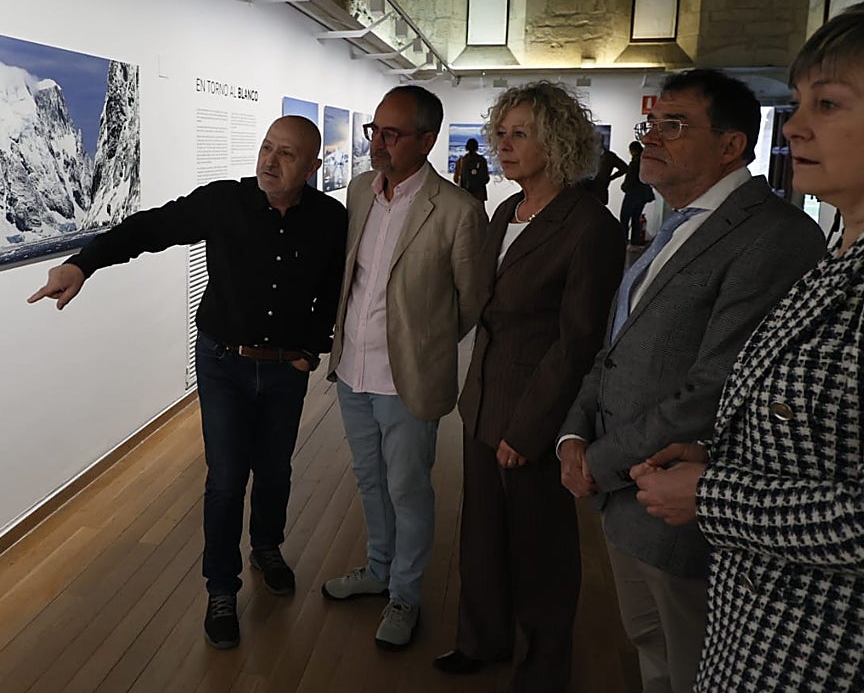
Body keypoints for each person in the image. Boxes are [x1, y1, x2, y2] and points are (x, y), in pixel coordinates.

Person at [633, 0, 864, 692]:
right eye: (800, 103)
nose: (796, 126)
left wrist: (713, 492)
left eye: (828, 104)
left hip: (829, 652)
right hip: (765, 625)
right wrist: (722, 455)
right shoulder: (842, 257)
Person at [28, 115, 347, 651]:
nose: (269, 161)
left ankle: (267, 546)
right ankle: (221, 586)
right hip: (223, 363)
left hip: (285, 366)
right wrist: (83, 264)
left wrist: (311, 349)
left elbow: (334, 286)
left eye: (287, 155)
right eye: (266, 147)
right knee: (225, 478)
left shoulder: (330, 219)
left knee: (273, 470)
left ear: (313, 166)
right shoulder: (223, 203)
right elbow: (148, 229)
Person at [557, 69, 825, 693]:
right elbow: (616, 348)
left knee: (698, 670)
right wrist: (573, 436)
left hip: (683, 511)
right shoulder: (676, 224)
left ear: (731, 146)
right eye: (653, 124)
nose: (651, 138)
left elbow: (714, 389)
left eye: (674, 126)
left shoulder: (774, 237)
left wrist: (599, 460)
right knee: (652, 654)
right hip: (628, 498)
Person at [435, 82, 624, 691]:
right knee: (482, 533)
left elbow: (577, 342)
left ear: (558, 141)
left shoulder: (588, 225)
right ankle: (482, 639)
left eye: (521, 134)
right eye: (502, 132)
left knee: (541, 550)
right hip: (483, 400)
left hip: (532, 414)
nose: (504, 145)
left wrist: (532, 427)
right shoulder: (504, 212)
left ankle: (543, 668)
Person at [320, 84, 484, 650]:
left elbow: (470, 302)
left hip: (406, 379)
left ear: (427, 140)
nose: (378, 144)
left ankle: (406, 594)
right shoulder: (361, 190)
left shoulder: (458, 210)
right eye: (375, 130)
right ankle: (378, 567)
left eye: (391, 134)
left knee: (408, 488)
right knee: (370, 480)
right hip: (352, 371)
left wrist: (425, 343)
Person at [620, 141, 654, 244]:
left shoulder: (635, 162)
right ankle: (635, 241)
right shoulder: (645, 161)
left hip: (632, 193)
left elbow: (630, 178)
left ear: (632, 150)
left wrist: (624, 187)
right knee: (636, 218)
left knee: (624, 218)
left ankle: (623, 242)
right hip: (642, 195)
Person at [453, 136, 491, 222]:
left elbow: (456, 179)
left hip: (465, 194)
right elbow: (486, 179)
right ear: (477, 147)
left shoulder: (461, 161)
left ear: (466, 147)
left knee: (464, 218)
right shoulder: (482, 160)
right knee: (481, 217)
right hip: (479, 195)